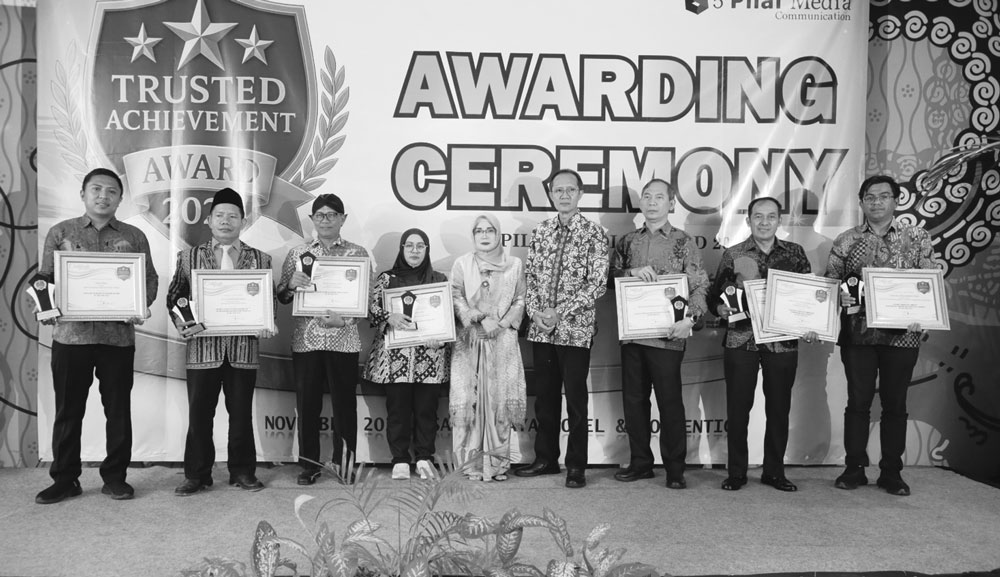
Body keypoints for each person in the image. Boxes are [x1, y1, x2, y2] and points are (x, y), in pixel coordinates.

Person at [35, 168, 158, 504]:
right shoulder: (61, 232)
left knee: (118, 411)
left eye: (111, 191)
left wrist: (140, 305)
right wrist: (46, 307)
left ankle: (115, 478)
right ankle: (65, 479)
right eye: (96, 189)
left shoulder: (134, 236)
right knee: (68, 411)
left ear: (120, 198)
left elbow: (149, 279)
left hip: (117, 338)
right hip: (70, 337)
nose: (103, 196)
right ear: (83, 194)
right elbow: (45, 277)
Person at [825, 175, 935, 496]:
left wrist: (923, 315)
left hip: (903, 336)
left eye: (884, 196)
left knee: (895, 404)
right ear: (861, 202)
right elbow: (831, 282)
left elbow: (929, 280)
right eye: (870, 197)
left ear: (896, 201)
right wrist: (839, 294)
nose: (876, 202)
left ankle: (891, 472)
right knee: (857, 402)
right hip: (858, 335)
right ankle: (854, 468)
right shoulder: (846, 240)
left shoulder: (916, 237)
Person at [167, 187, 276, 496]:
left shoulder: (260, 259)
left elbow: (268, 300)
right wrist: (182, 322)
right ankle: (197, 474)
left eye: (233, 216)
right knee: (199, 415)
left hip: (243, 349)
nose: (226, 221)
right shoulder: (189, 257)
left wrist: (267, 323)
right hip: (202, 349)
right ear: (209, 220)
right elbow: (175, 296)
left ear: (243, 221)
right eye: (220, 215)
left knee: (241, 414)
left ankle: (242, 471)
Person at [708, 197, 813, 492]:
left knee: (779, 409)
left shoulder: (795, 253)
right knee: (738, 409)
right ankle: (736, 473)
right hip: (741, 340)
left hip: (782, 341)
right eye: (758, 216)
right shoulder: (734, 254)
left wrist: (811, 324)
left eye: (770, 216)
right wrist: (720, 309)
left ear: (779, 220)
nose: (764, 222)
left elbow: (808, 296)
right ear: (748, 220)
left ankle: (774, 472)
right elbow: (715, 297)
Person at [610, 179, 708, 489]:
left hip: (669, 336)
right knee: (634, 401)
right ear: (641, 203)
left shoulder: (684, 241)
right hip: (633, 335)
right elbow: (610, 277)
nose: (652, 202)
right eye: (647, 196)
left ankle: (675, 468)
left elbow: (700, 285)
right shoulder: (627, 242)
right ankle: (640, 463)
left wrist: (690, 319)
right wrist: (630, 272)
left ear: (671, 203)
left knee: (670, 402)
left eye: (659, 197)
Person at [515, 169, 609, 489]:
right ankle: (545, 459)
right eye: (558, 190)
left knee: (576, 400)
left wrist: (561, 312)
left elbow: (597, 284)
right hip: (542, 328)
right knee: (545, 397)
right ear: (551, 195)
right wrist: (535, 312)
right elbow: (530, 279)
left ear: (580, 193)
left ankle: (576, 465)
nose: (564, 195)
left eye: (570, 189)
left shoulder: (593, 233)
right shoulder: (541, 231)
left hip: (576, 330)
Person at [276, 193, 371, 485]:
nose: (326, 220)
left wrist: (346, 320)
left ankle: (345, 464)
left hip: (344, 339)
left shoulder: (358, 253)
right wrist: (291, 285)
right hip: (307, 341)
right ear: (312, 219)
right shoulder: (298, 253)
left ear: (343, 219)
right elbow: (281, 296)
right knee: (307, 406)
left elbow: (366, 299)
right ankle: (309, 465)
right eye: (320, 215)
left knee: (345, 406)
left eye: (332, 215)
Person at [364, 229, 450, 480]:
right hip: (395, 359)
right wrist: (388, 316)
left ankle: (424, 458)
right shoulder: (387, 279)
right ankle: (400, 459)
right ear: (401, 249)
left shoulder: (439, 280)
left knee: (427, 411)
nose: (414, 250)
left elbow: (448, 318)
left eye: (420, 246)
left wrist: (441, 338)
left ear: (427, 250)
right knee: (398, 411)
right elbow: (370, 310)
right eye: (409, 245)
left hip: (430, 357)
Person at [449, 214, 527, 482]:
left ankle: (497, 465)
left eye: (489, 230)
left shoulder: (514, 265)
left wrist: (501, 324)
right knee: (470, 401)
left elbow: (520, 299)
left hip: (502, 341)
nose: (484, 235)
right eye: (479, 231)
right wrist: (479, 318)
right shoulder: (462, 263)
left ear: (498, 234)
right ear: (473, 235)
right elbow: (455, 296)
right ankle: (471, 465)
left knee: (498, 402)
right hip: (471, 341)